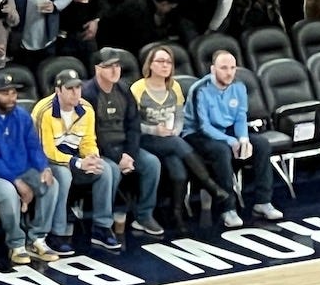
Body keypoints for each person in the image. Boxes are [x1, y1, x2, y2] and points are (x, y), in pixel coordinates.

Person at [131, 45, 232, 232]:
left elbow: (179, 116)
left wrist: (175, 130)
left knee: (179, 172)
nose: (165, 65)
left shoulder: (174, 86)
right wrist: (155, 130)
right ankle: (212, 186)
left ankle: (176, 214)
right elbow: (132, 124)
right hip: (145, 139)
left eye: (168, 62)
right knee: (178, 145)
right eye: (160, 61)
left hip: (170, 139)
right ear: (150, 65)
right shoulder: (138, 88)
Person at [183, 50, 283, 229]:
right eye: (223, 68)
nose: (229, 72)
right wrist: (231, 141)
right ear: (213, 69)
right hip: (196, 134)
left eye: (232, 68)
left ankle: (263, 202)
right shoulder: (200, 89)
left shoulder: (239, 86)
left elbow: (240, 118)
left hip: (226, 129)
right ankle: (227, 208)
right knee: (221, 151)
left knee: (261, 144)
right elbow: (203, 126)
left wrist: (243, 139)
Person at [31, 67, 121, 253]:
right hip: (47, 162)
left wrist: (92, 157)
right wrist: (78, 163)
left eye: (78, 88)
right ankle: (58, 233)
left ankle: (101, 227)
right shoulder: (43, 111)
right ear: (58, 91)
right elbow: (46, 151)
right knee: (63, 176)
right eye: (70, 89)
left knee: (106, 169)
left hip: (75, 158)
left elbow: (88, 140)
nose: (75, 93)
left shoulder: (86, 109)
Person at [81, 47, 165, 237]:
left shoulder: (125, 90)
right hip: (100, 150)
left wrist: (129, 154)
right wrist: (118, 157)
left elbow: (134, 126)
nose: (115, 70)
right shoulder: (87, 94)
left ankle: (144, 215)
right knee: (110, 171)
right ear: (97, 69)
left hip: (125, 148)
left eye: (117, 65)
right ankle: (103, 224)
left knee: (152, 163)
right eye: (109, 66)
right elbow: (92, 133)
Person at [0, 69, 60, 264]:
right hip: (0, 174)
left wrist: (44, 168)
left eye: (13, 93)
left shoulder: (22, 116)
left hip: (22, 169)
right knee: (8, 192)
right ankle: (16, 244)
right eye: (4, 93)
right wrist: (16, 182)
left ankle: (37, 239)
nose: (11, 98)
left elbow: (33, 146)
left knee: (51, 184)